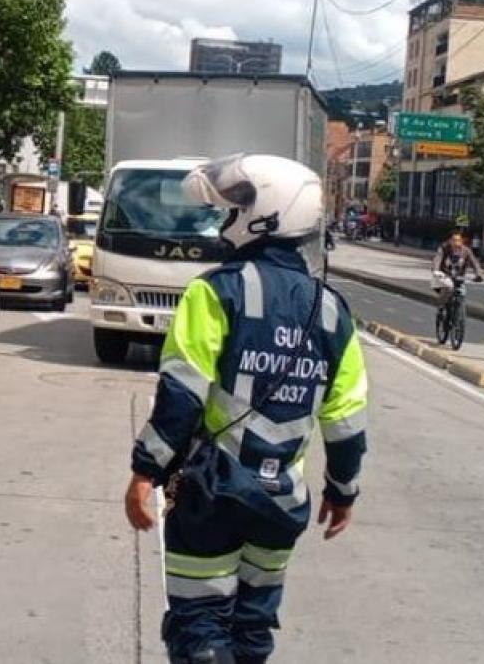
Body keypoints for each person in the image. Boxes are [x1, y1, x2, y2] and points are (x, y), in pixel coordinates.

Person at [124, 154, 368, 664]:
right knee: (253, 629)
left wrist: (145, 471)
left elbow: (182, 395)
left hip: (213, 495)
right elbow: (345, 419)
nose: (224, 218)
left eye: (237, 206)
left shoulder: (214, 292)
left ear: (268, 213)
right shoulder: (332, 311)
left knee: (199, 624)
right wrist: (342, 492)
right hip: (282, 504)